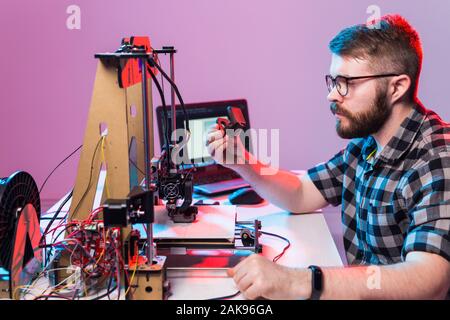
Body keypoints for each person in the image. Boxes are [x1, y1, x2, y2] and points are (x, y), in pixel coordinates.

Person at [205, 14, 450, 299]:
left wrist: (301, 281)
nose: (332, 95)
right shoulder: (367, 145)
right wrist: (242, 162)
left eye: (347, 82)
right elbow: (301, 193)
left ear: (397, 87)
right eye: (333, 81)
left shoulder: (437, 158)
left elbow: (428, 282)